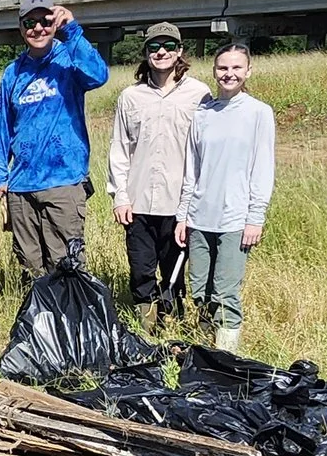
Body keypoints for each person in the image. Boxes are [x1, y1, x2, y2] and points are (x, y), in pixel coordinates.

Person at [0, 0, 109, 276]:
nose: (38, 28)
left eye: (45, 21)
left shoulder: (69, 60)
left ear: (54, 24)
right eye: (30, 23)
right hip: (21, 184)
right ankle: (37, 307)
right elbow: (3, 125)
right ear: (21, 28)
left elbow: (99, 76)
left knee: (66, 264)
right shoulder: (12, 73)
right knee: (30, 266)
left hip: (63, 180)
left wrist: (72, 30)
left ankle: (71, 306)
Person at [108, 21, 209, 326]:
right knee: (141, 268)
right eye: (154, 46)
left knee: (174, 267)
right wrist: (120, 196)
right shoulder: (130, 97)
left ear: (179, 51)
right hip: (138, 201)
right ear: (146, 52)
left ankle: (173, 318)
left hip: (179, 202)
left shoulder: (200, 94)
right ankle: (147, 323)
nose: (161, 52)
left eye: (168, 46)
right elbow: (120, 149)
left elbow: (205, 151)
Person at [177, 44, 276, 352]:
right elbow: (192, 168)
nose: (229, 74)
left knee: (225, 293)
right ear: (214, 71)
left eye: (236, 68)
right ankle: (205, 348)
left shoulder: (258, 113)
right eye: (222, 68)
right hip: (200, 217)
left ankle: (226, 355)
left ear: (248, 71)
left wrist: (255, 217)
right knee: (199, 289)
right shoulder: (202, 114)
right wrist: (183, 215)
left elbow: (263, 168)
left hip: (235, 219)